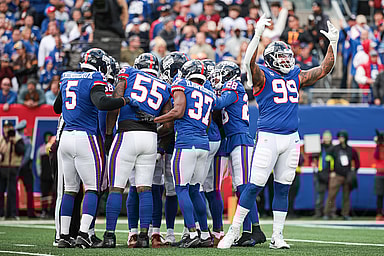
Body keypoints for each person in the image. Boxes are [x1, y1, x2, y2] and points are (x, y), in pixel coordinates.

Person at [218, 15, 339, 249]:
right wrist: (256, 35)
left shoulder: (296, 75)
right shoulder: (262, 74)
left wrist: (333, 43)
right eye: (281, 56)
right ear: (271, 59)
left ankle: (278, 236)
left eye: (287, 55)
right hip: (268, 136)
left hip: (291, 138)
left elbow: (324, 69)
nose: (286, 59)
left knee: (283, 187)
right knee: (254, 186)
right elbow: (248, 64)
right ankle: (233, 231)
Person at [53, 48, 135, 248]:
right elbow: (101, 103)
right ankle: (83, 233)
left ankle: (64, 236)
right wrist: (124, 100)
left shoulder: (67, 77)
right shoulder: (95, 78)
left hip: (66, 139)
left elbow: (57, 107)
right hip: (85, 137)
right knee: (93, 187)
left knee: (70, 190)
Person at [95, 52, 172, 249]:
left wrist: (110, 133)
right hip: (150, 138)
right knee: (145, 187)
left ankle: (110, 236)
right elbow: (169, 124)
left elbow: (115, 103)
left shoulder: (128, 73)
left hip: (127, 133)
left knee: (117, 187)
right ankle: (144, 237)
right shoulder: (164, 86)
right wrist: (154, 124)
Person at [153, 59, 216, 248]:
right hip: (203, 144)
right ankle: (205, 235)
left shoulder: (181, 84)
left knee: (181, 188)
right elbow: (209, 121)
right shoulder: (209, 92)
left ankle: (191, 233)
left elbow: (178, 111)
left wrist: (155, 119)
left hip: (186, 144)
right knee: (195, 189)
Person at [212, 60, 266, 246]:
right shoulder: (230, 86)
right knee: (239, 187)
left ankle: (256, 230)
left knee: (244, 187)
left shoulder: (233, 85)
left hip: (240, 138)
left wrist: (203, 93)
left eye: (220, 73)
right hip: (232, 138)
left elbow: (218, 103)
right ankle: (247, 231)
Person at [323, 130, 360, 220]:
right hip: (336, 175)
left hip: (347, 175)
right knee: (331, 195)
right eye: (339, 137)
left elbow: (357, 162)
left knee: (346, 196)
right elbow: (328, 159)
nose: (341, 139)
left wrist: (353, 171)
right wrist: (331, 171)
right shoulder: (334, 148)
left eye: (342, 137)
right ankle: (327, 213)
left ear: (346, 138)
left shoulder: (351, 150)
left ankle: (345, 214)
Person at [0, 120, 25, 220]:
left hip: (13, 167)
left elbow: (21, 151)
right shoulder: (1, 139)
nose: (7, 129)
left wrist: (14, 142)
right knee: (1, 191)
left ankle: (13, 212)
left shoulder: (17, 138)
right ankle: (1, 212)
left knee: (12, 191)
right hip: (2, 167)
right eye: (5, 127)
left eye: (9, 127)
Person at [15, 120, 36, 218]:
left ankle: (14, 212)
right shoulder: (27, 140)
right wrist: (22, 165)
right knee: (29, 190)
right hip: (25, 167)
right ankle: (30, 212)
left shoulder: (14, 139)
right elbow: (27, 156)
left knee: (13, 190)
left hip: (15, 166)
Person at [312, 130, 333, 218]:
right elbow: (313, 157)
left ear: (331, 138)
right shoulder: (319, 147)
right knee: (320, 194)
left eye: (328, 137)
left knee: (331, 195)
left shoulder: (334, 148)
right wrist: (313, 162)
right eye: (325, 137)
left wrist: (334, 171)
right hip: (320, 173)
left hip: (331, 174)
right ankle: (318, 213)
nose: (326, 139)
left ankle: (330, 213)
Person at [36, 131, 54, 219]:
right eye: (47, 137)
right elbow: (37, 162)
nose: (48, 138)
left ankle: (52, 211)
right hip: (44, 175)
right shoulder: (41, 149)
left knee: (53, 194)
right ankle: (44, 210)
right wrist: (40, 172)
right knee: (44, 194)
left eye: (49, 137)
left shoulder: (54, 148)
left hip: (53, 175)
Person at [374, 129, 384, 221]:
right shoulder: (378, 147)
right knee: (379, 195)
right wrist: (378, 144)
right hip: (379, 174)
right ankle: (379, 213)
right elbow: (376, 156)